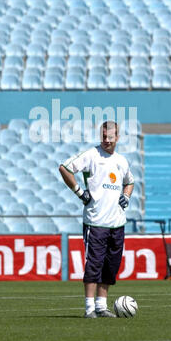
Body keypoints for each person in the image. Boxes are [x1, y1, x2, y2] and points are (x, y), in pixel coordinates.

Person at [59, 121, 134, 318]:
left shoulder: (122, 161)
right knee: (94, 263)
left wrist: (126, 196)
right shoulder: (91, 155)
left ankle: (102, 306)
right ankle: (89, 308)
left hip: (117, 223)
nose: (106, 140)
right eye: (103, 136)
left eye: (110, 137)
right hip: (95, 221)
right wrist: (79, 192)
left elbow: (130, 181)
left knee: (111, 265)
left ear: (117, 137)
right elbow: (64, 168)